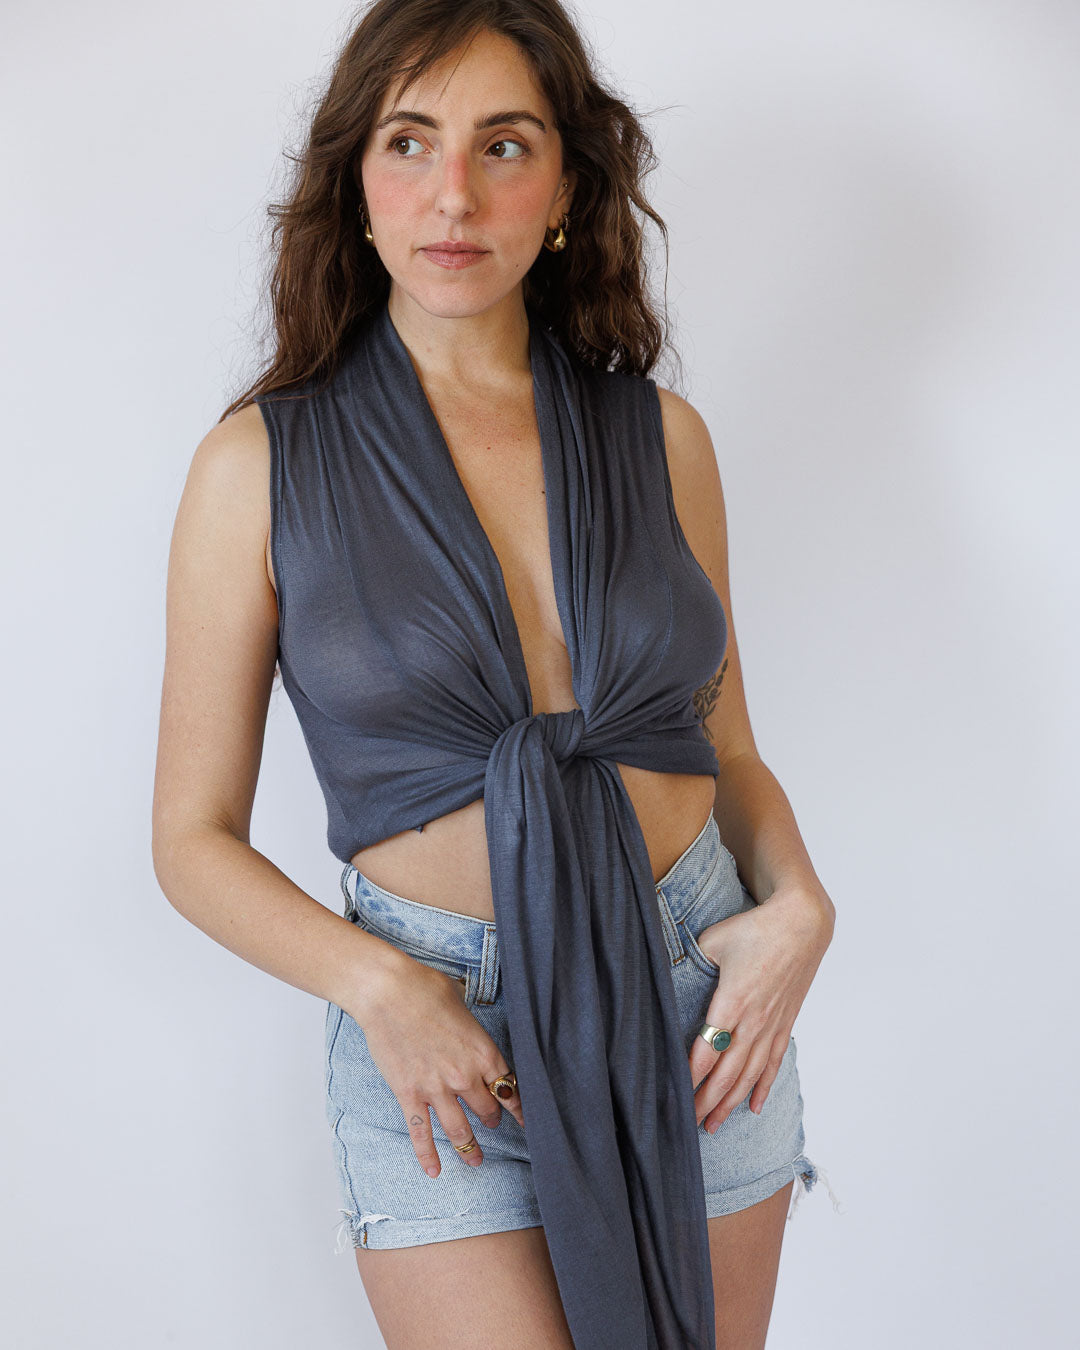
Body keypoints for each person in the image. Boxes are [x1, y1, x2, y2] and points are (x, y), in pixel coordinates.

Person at [152, 3, 838, 1346]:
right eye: (409, 142)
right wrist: (383, 988)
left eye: (504, 145)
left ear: (568, 186)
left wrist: (799, 904)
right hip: (441, 1039)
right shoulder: (257, 469)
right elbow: (190, 839)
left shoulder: (665, 438)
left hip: (699, 1002)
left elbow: (727, 748)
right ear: (354, 183)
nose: (454, 194)